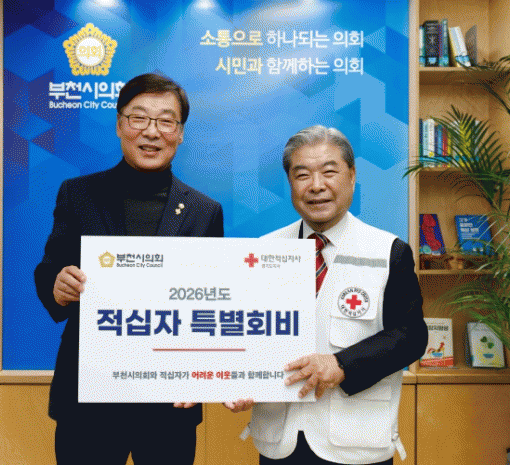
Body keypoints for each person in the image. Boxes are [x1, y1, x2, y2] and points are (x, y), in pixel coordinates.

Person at [34, 72, 224, 464]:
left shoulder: (204, 211)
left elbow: (211, 303)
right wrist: (57, 284)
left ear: (180, 133)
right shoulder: (78, 194)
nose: (152, 132)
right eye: (139, 118)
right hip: (88, 397)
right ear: (120, 124)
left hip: (169, 401)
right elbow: (50, 265)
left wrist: (204, 372)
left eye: (166, 121)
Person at [224, 125, 427, 465]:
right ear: (290, 183)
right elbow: (243, 332)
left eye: (329, 172)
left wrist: (341, 364)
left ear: (352, 176)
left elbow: (410, 336)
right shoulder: (263, 251)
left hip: (356, 442)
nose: (316, 186)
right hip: (280, 441)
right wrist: (236, 380)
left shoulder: (388, 251)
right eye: (302, 175)